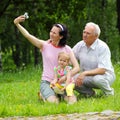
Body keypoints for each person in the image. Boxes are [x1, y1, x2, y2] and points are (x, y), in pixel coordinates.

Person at [14, 14, 80, 103]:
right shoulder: (44, 45)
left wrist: (65, 77)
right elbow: (28, 35)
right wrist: (17, 24)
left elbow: (77, 68)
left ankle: (54, 94)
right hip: (47, 82)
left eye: (54, 33)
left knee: (72, 101)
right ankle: (45, 94)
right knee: (54, 103)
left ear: (61, 36)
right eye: (51, 31)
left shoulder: (67, 49)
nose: (51, 34)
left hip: (62, 83)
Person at [73, 22, 116, 97]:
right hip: (87, 77)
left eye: (88, 33)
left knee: (97, 79)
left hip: (105, 76)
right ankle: (89, 93)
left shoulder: (102, 47)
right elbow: (69, 58)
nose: (85, 35)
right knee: (72, 79)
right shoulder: (80, 45)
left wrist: (84, 73)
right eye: (84, 32)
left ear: (96, 36)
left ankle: (109, 93)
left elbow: (102, 70)